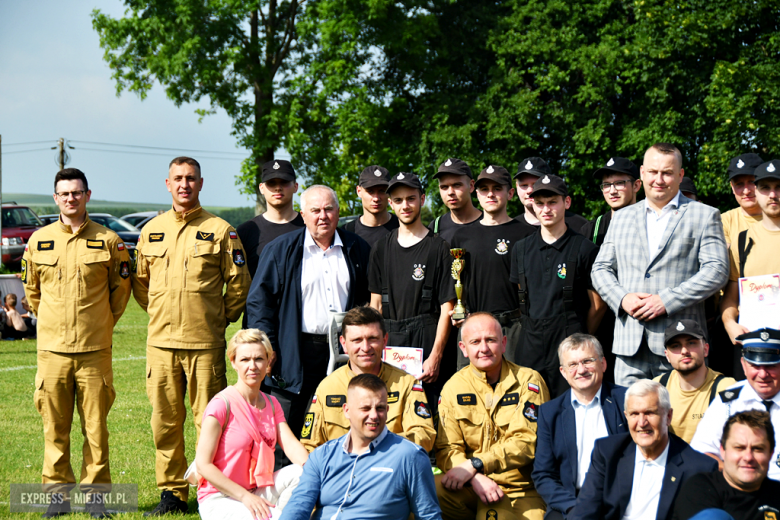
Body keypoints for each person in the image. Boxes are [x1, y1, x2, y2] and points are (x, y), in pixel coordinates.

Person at [132, 156, 252, 515]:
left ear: (201, 184)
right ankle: (171, 492)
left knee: (209, 421)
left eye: (191, 179)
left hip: (205, 344)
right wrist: (159, 313)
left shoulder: (220, 230)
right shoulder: (151, 231)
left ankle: (209, 490)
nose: (184, 184)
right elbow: (140, 283)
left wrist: (220, 319)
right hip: (162, 345)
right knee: (165, 421)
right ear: (167, 184)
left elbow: (238, 282)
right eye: (178, 178)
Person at [23, 168, 132, 518]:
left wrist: (98, 325)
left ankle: (96, 499)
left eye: (77, 192)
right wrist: (55, 325)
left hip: (94, 352)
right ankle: (57, 497)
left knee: (96, 430)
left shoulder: (109, 241)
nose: (71, 198)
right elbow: (32, 293)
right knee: (54, 429)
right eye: (64, 193)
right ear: (55, 198)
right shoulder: (38, 241)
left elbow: (121, 291)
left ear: (87, 195)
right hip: (52, 352)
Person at [591, 142, 730, 385]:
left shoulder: (704, 215)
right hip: (628, 345)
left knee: (681, 420)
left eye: (667, 173)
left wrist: (667, 300)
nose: (659, 179)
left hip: (680, 344)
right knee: (631, 419)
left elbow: (716, 271)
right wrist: (622, 299)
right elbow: (600, 269)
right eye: (653, 172)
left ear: (680, 175)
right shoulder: (622, 217)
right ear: (642, 173)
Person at [247, 185, 371, 438]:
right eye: (315, 210)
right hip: (293, 350)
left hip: (341, 351)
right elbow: (260, 303)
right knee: (286, 426)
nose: (322, 216)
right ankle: (284, 477)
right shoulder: (281, 250)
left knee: (339, 421)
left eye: (328, 209)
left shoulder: (358, 248)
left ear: (338, 212)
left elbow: (369, 300)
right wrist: (268, 346)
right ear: (302, 214)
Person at [435, 312, 550, 520]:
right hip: (471, 486)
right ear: (464, 349)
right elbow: (448, 449)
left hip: (519, 489)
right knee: (430, 490)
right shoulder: (453, 387)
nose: (484, 348)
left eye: (491, 340)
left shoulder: (528, 381)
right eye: (475, 342)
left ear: (504, 343)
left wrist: (477, 464)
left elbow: (526, 442)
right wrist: (476, 477)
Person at [280, 374, 442, 520]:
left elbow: (428, 515)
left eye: (379, 408)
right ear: (347, 411)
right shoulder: (322, 455)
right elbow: (298, 506)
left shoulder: (410, 456)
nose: (373, 415)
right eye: (365, 408)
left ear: (387, 410)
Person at [195, 329, 308, 520]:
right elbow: (203, 465)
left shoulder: (272, 404)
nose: (253, 366)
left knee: (301, 473)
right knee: (276, 517)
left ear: (269, 361)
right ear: (233, 362)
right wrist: (245, 497)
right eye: (245, 360)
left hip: (255, 491)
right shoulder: (221, 405)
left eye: (259, 359)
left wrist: (316, 472)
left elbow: (291, 447)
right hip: (219, 498)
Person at [510, 174, 605, 396]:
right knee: (529, 410)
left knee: (570, 408)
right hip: (530, 343)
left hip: (570, 344)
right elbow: (520, 296)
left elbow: (598, 305)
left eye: (552, 202)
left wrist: (578, 335)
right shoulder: (520, 249)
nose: (546, 209)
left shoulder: (584, 248)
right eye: (540, 203)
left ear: (567, 202)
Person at [570, 380, 718, 520]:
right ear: (626, 416)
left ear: (668, 416)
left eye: (650, 413)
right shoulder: (607, 452)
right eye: (634, 414)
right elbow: (584, 512)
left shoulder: (698, 468)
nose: (642, 423)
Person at [369, 172, 455, 409]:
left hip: (426, 342)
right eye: (398, 200)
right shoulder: (380, 249)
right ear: (391, 204)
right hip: (390, 343)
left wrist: (436, 356)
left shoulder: (439, 248)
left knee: (427, 416)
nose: (405, 206)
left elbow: (447, 307)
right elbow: (375, 306)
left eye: (410, 198)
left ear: (422, 199)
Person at [300, 305, 436, 452]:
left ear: (384, 340)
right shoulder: (327, 388)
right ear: (344, 344)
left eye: (372, 339)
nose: (365, 347)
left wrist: (375, 448)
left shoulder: (406, 384)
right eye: (357, 340)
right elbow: (309, 446)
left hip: (390, 469)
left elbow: (424, 436)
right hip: (341, 471)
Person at [533, 334, 628, 520]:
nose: (581, 370)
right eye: (573, 365)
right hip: (571, 502)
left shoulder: (626, 401)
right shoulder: (549, 413)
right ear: (563, 371)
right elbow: (543, 474)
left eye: (588, 361)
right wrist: (573, 507)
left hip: (620, 498)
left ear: (603, 364)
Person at [690, 328, 780, 481]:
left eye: (771, 366)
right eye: (755, 366)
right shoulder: (728, 402)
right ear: (743, 365)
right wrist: (739, 477)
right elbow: (701, 452)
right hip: (739, 491)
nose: (763, 374)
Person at [673, 410, 780, 520]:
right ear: (723, 450)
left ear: (771, 453)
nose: (748, 457)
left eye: (758, 449)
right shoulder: (699, 489)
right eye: (739, 448)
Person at [721, 160, 780, 345]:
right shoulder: (742, 241)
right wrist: (729, 322)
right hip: (754, 342)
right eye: (765, 188)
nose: (772, 195)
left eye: (779, 187)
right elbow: (731, 297)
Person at [654, 320, 735, 443]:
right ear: (667, 356)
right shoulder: (657, 387)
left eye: (691, 343)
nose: (684, 351)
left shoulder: (726, 387)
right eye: (675, 346)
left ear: (705, 349)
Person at [513, 157, 589, 237]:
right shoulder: (511, 229)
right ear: (517, 187)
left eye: (535, 184)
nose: (529, 190)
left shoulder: (580, 226)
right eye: (524, 185)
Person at [580, 157, 642, 247]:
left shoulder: (650, 225)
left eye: (619, 183)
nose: (612, 191)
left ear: (636, 185)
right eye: (607, 185)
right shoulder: (591, 231)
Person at [340, 165, 399, 247]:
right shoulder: (346, 233)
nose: (376, 198)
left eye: (382, 191)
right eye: (370, 191)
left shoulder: (404, 228)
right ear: (359, 191)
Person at [428, 157, 482, 243]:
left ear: (471, 186)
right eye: (444, 187)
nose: (450, 192)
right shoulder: (435, 228)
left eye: (457, 185)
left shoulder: (490, 223)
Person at [721, 153, 764, 248]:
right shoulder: (723, 222)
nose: (746, 191)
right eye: (739, 184)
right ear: (732, 188)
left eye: (752, 182)